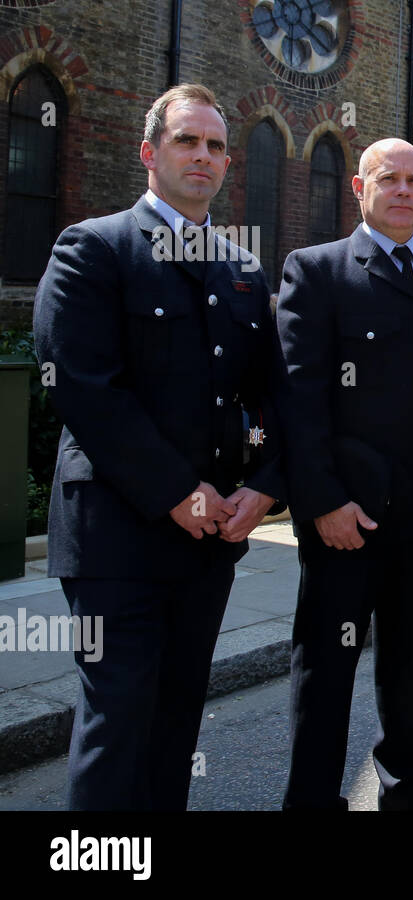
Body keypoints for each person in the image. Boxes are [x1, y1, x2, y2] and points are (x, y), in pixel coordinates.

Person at [33, 84, 283, 810]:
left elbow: (269, 396)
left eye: (214, 146)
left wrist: (265, 486)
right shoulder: (94, 248)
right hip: (116, 536)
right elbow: (82, 386)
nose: (201, 156)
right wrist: (177, 489)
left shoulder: (242, 271)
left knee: (177, 718)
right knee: (119, 719)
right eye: (186, 141)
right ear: (150, 152)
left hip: (208, 539)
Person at [276, 138, 413, 810]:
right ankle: (312, 799)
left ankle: (409, 782)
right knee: (328, 664)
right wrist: (321, 500)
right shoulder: (319, 270)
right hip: (345, 515)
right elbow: (298, 402)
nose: (404, 191)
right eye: (389, 178)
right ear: (362, 187)